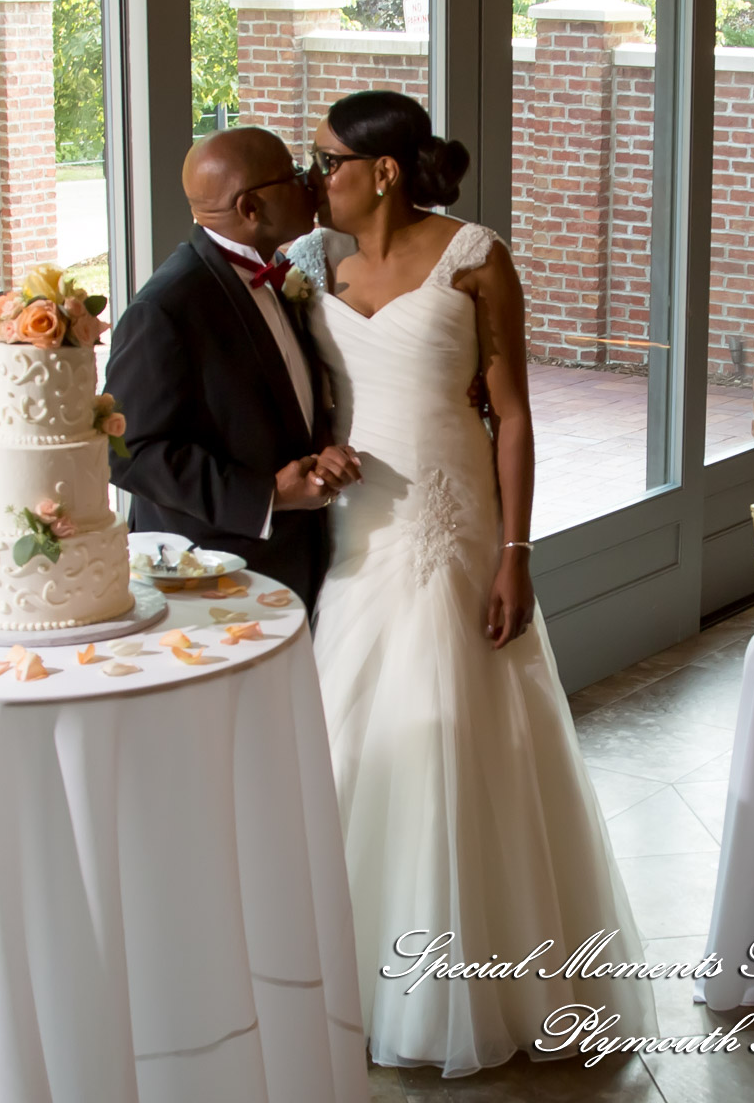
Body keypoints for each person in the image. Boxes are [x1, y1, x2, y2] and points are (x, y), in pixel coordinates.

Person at [286, 90, 657, 1075]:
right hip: (360, 528)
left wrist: (515, 552)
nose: (317, 175)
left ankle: (474, 983)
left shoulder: (476, 256)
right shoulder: (308, 263)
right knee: (351, 728)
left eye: (328, 159)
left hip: (452, 523)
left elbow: (515, 414)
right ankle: (339, 971)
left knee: (460, 728)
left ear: (386, 171)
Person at [105, 127, 361, 611]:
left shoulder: (277, 273)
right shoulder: (167, 308)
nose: (309, 181)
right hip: (216, 575)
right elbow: (126, 451)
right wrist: (268, 495)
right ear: (250, 208)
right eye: (291, 173)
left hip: (295, 560)